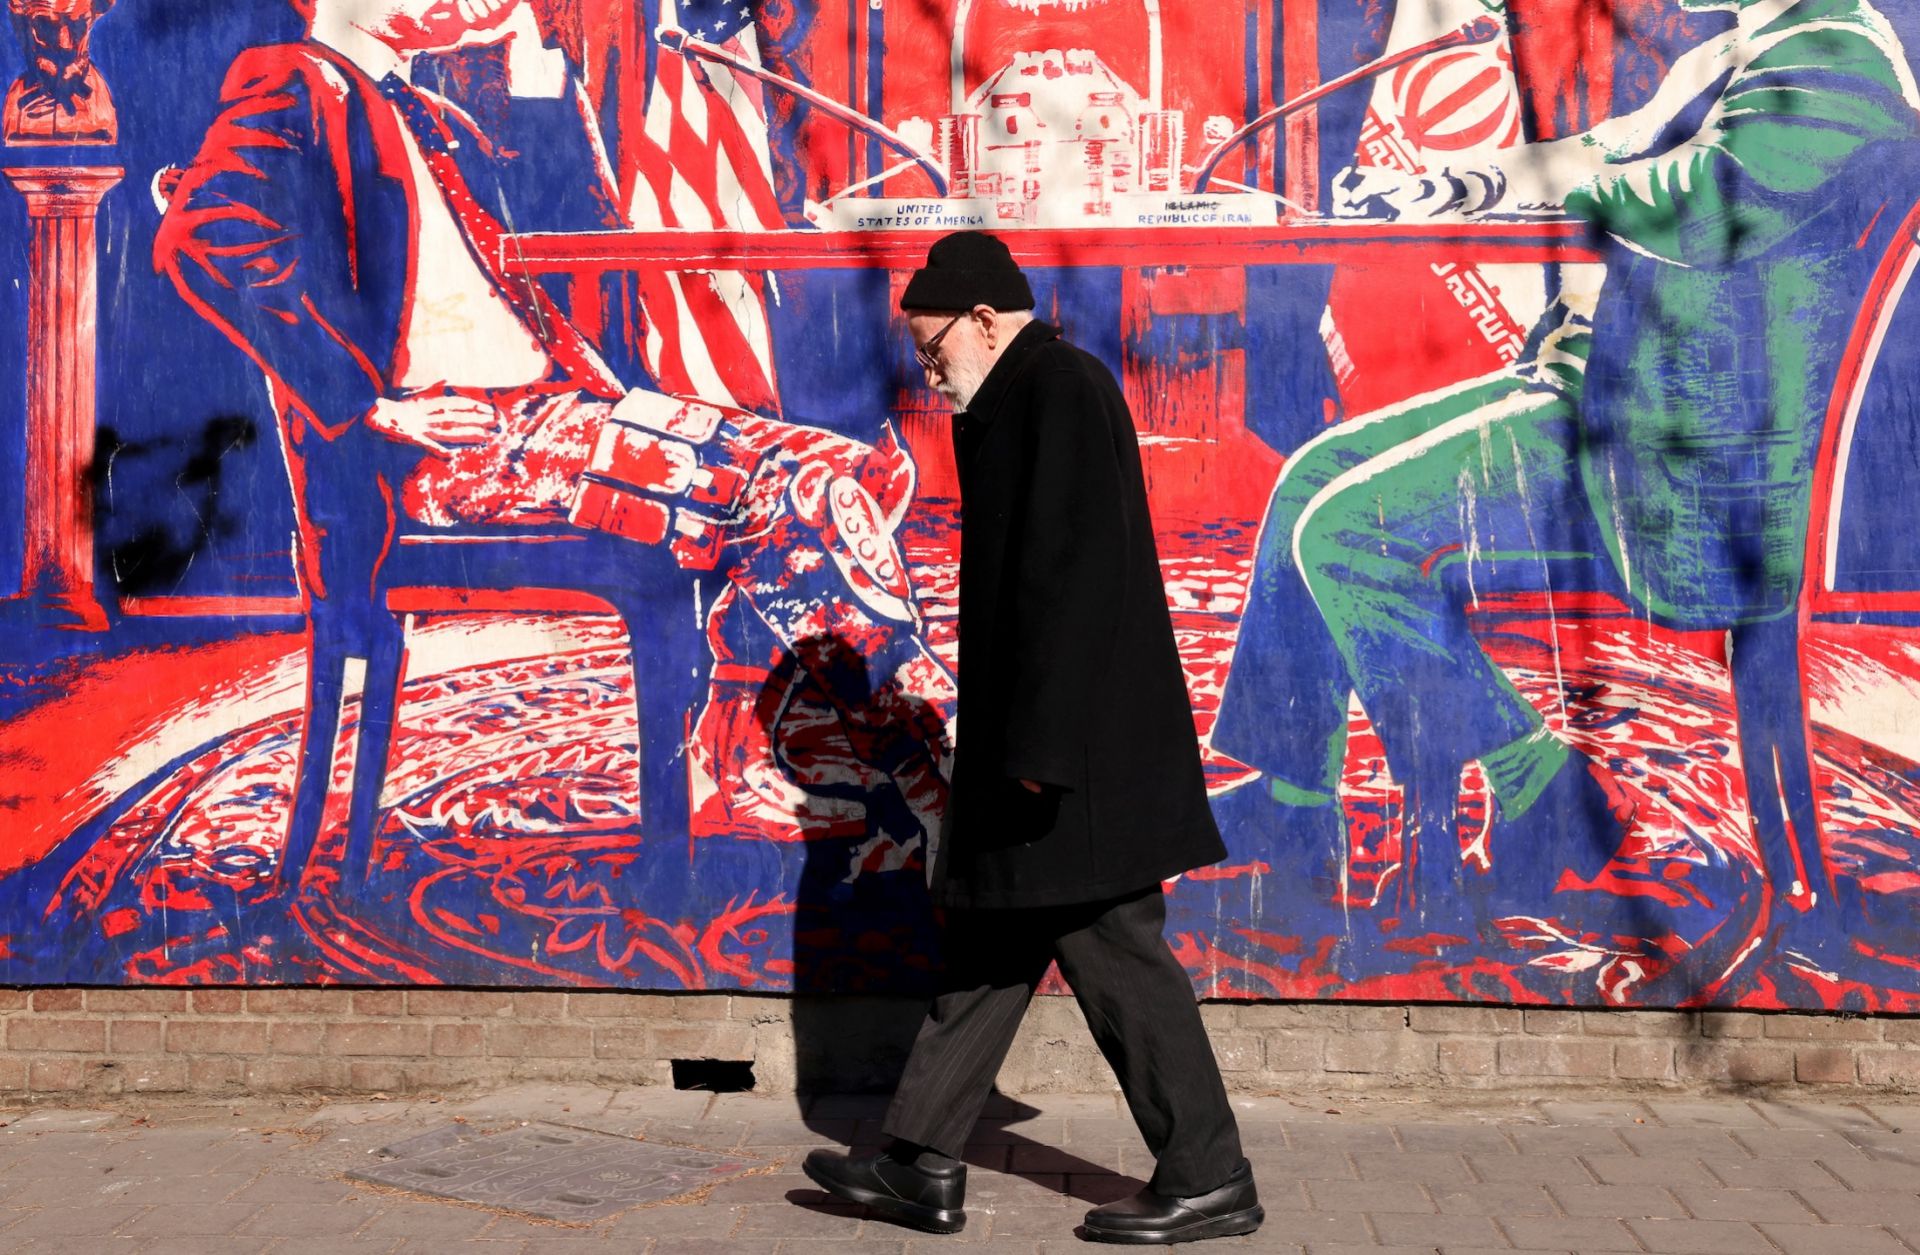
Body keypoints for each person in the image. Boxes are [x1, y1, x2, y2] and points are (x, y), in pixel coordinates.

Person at [153, 0, 955, 876]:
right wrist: (370, 407)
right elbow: (199, 238)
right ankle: (912, 759)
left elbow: (550, 230)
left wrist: (533, 64)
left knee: (847, 467)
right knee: (796, 489)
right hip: (451, 451)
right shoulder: (294, 80)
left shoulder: (423, 108)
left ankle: (744, 746)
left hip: (553, 418)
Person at [1211, 0, 1920, 942]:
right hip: (1603, 389)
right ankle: (1298, 800)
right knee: (1309, 476)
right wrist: (1454, 185)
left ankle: (1535, 779)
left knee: (1343, 533)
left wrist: (1558, 186)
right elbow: (1609, 147)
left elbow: (1702, 202)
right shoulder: (1744, 48)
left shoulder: (1838, 58)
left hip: (1675, 459)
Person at [801, 233, 1261, 1245]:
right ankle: (919, 1162)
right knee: (991, 942)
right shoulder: (1020, 396)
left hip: (1073, 753)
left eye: (934, 352)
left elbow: (1075, 580)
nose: (928, 373)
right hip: (1048, 742)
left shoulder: (1056, 388)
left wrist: (1037, 755)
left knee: (1114, 952)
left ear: (983, 319)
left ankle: (1208, 1172)